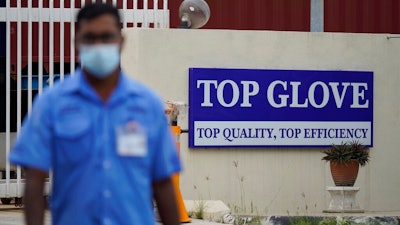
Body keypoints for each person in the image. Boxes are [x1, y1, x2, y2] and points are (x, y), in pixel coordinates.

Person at [9, 3, 181, 225]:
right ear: (76, 42)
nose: (99, 45)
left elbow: (163, 182)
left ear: (121, 40)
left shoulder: (146, 105)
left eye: (107, 37)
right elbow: (34, 180)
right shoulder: (52, 104)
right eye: (90, 38)